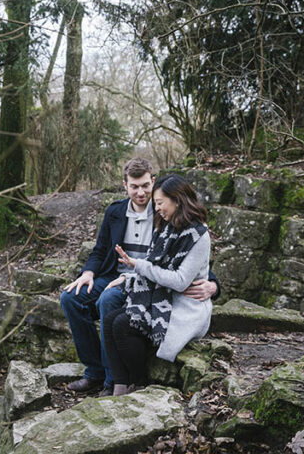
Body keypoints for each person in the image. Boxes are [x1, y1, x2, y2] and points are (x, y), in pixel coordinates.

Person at [60, 159, 219, 397]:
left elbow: (189, 257)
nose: (141, 192)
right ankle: (94, 372)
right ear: (125, 185)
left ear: (153, 183)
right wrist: (88, 272)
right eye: (134, 186)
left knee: (108, 300)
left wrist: (214, 285)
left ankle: (113, 379)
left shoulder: (166, 211)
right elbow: (100, 250)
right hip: (116, 275)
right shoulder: (115, 211)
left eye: (146, 186)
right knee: (70, 298)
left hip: (144, 280)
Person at [103, 174, 212, 396]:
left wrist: (138, 266)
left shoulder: (199, 235)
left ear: (177, 200)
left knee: (123, 324)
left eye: (160, 203)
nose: (158, 209)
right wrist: (127, 278)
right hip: (162, 296)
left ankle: (140, 383)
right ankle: (120, 386)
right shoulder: (166, 228)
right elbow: (155, 269)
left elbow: (181, 281)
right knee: (109, 319)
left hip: (185, 305)